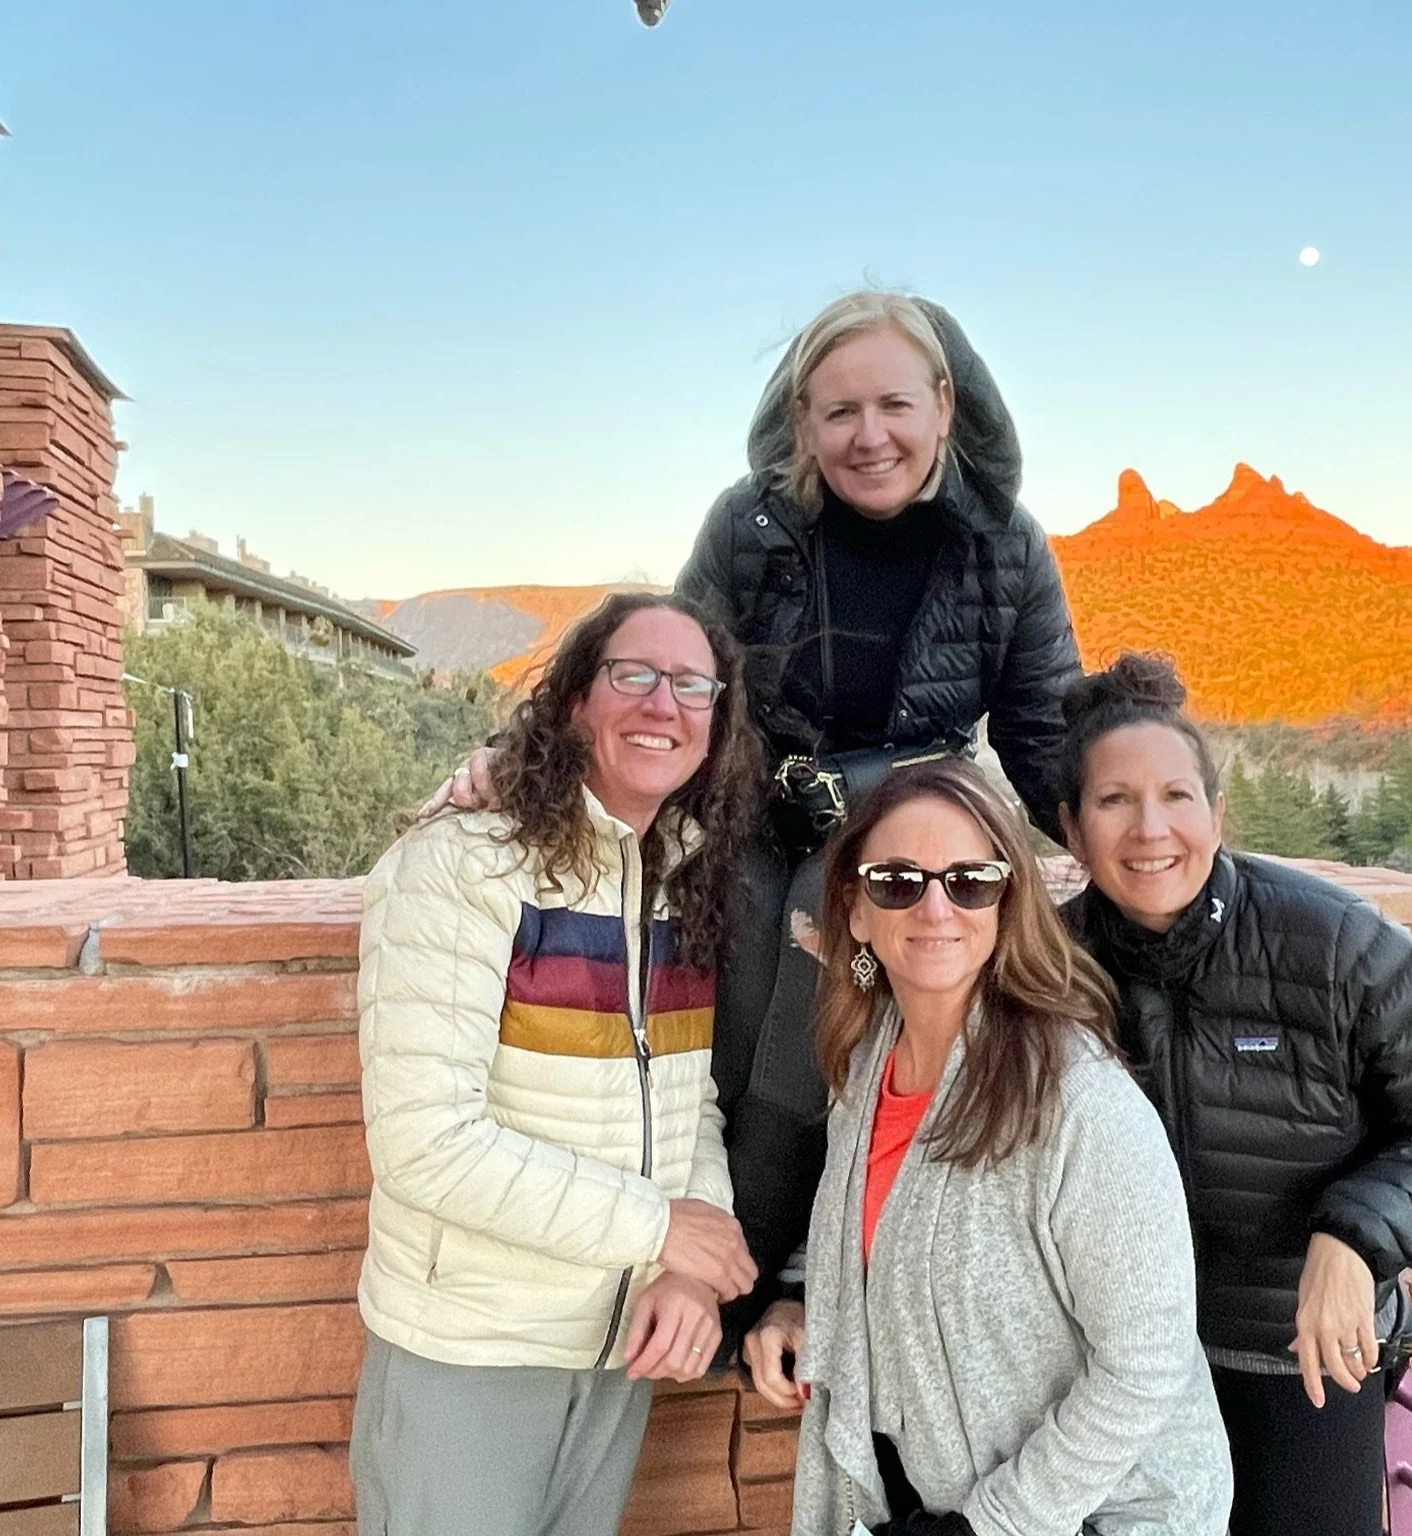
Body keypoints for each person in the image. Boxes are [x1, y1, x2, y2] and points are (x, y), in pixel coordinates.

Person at [435, 290, 1081, 1342]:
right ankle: (710, 1251)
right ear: (802, 419)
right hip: (759, 809)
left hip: (904, 830)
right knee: (711, 1011)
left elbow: (1045, 732)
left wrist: (1144, 839)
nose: (867, 436)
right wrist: (523, 759)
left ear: (944, 403)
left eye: (893, 405)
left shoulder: (1003, 545)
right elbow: (667, 666)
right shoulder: (754, 524)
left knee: (808, 1012)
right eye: (837, 413)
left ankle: (744, 1283)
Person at [1053, 654, 1412, 1536]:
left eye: (1177, 797)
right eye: (1114, 801)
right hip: (1118, 1371)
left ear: (1217, 814)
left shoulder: (1337, 944)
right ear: (1072, 832)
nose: (1150, 829)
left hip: (1298, 1364)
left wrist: (1351, 1235)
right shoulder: (1045, 967)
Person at [351, 593, 763, 1536]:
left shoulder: (674, 878)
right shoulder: (463, 864)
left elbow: (685, 1103)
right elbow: (426, 1142)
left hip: (617, 1343)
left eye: (693, 684)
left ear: (716, 722)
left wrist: (687, 1272)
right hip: (474, 1351)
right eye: (633, 674)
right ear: (576, 698)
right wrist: (660, 1230)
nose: (663, 702)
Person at [743, 758, 1232, 1536]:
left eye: (970, 879)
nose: (935, 906)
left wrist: (984, 1528)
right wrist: (802, 1302)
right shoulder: (868, 1062)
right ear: (856, 910)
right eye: (896, 881)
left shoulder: (1079, 1103)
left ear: (1008, 903)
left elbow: (1145, 1369)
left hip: (1092, 1517)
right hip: (920, 1499)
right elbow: (875, 1222)